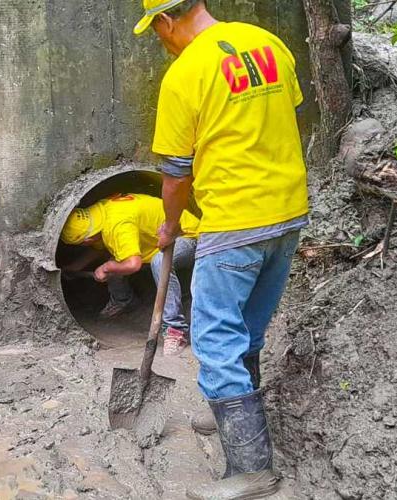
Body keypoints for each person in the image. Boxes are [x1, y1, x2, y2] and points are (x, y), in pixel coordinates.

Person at [135, 1, 309, 498]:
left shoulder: (185, 73)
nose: (161, 41)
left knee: (214, 339)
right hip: (287, 210)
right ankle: (232, 416)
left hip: (234, 219)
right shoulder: (266, 42)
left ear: (166, 21)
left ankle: (251, 469)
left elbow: (176, 172)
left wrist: (170, 225)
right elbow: (288, 114)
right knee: (246, 326)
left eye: (157, 32)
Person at [60, 193, 199, 356]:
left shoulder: (117, 226)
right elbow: (100, 247)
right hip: (157, 240)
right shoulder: (100, 213)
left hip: (189, 236)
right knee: (117, 258)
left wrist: (106, 268)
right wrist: (74, 267)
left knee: (159, 262)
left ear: (87, 240)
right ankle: (124, 300)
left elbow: (134, 264)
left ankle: (175, 330)